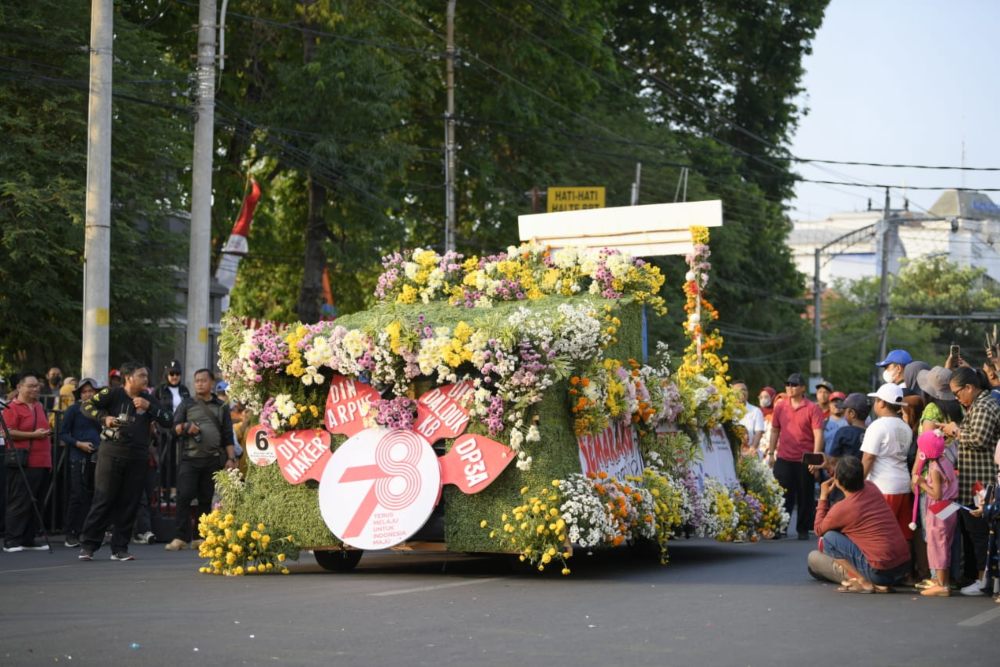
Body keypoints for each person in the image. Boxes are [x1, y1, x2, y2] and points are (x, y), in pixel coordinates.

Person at [78, 363, 172, 562]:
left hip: (138, 457)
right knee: (103, 500)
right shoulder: (112, 394)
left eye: (146, 376)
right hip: (111, 454)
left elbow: (168, 419)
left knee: (129, 503)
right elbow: (86, 406)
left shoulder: (148, 399)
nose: (146, 380)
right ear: (128, 378)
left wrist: (150, 408)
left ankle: (119, 548)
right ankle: (88, 545)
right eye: (141, 376)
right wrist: (105, 418)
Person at [808, 456, 911, 592]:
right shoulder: (871, 487)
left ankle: (862, 581)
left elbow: (818, 529)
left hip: (879, 573)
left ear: (838, 482)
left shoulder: (842, 509)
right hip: (903, 568)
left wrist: (823, 497)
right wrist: (832, 470)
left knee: (817, 554)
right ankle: (870, 580)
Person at [939, 366, 1000, 595]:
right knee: (974, 532)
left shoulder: (984, 405)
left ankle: (984, 580)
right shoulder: (976, 405)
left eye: (957, 393)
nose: (956, 398)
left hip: (982, 482)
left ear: (970, 387)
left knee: (981, 532)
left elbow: (979, 439)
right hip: (973, 480)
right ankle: (979, 577)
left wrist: (955, 430)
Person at [165, 369, 236, 552]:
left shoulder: (221, 406)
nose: (199, 384)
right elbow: (172, 430)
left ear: (212, 382)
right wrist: (185, 427)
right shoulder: (187, 404)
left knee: (205, 499)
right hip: (189, 459)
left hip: (212, 459)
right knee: (184, 496)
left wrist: (230, 458)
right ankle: (180, 537)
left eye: (203, 380)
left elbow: (227, 436)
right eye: (197, 381)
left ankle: (200, 537)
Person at [765, 372, 824, 539]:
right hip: (784, 456)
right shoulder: (780, 406)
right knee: (781, 493)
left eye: (794, 384)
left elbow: (818, 434)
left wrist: (816, 459)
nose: (790, 387)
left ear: (803, 388)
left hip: (805, 458)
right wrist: (771, 453)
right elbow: (775, 430)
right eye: (788, 384)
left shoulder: (812, 408)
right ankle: (780, 526)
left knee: (805, 494)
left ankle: (803, 529)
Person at [2, 374, 52, 552]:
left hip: (42, 461)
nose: (35, 389)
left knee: (36, 501)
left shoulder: (39, 406)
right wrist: (33, 435)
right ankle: (12, 539)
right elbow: (6, 432)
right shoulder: (12, 407)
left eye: (37, 386)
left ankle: (28, 538)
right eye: (31, 386)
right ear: (19, 387)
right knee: (20, 501)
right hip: (23, 461)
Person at [861, 383, 914, 541]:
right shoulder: (906, 427)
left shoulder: (877, 426)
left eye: (876, 400)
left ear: (882, 402)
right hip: (904, 484)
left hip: (883, 487)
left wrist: (857, 484)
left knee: (881, 534)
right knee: (903, 535)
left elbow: (868, 458)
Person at [910, 430, 959, 597]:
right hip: (950, 507)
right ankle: (942, 581)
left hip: (938, 509)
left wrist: (922, 483)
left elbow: (936, 494)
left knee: (937, 545)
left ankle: (941, 584)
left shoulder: (934, 468)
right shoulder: (945, 460)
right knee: (945, 543)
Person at [58, 378, 101, 548]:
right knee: (77, 495)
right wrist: (79, 444)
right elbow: (63, 433)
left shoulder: (101, 411)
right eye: (84, 391)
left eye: (91, 391)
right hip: (78, 457)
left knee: (95, 496)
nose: (88, 394)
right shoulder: (73, 410)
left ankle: (89, 532)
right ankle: (71, 533)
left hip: (97, 458)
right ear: (79, 394)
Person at [154, 360, 189, 504]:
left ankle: (174, 491)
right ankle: (162, 491)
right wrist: (158, 428)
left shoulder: (184, 390)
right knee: (164, 461)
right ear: (167, 374)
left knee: (178, 461)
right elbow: (154, 409)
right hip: (164, 431)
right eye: (171, 373)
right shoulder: (160, 390)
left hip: (180, 431)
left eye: (177, 374)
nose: (174, 377)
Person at [732, 381, 765, 456]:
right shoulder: (727, 410)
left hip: (749, 452)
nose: (743, 392)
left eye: (745, 390)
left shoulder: (756, 411)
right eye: (739, 390)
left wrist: (752, 449)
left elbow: (758, 433)